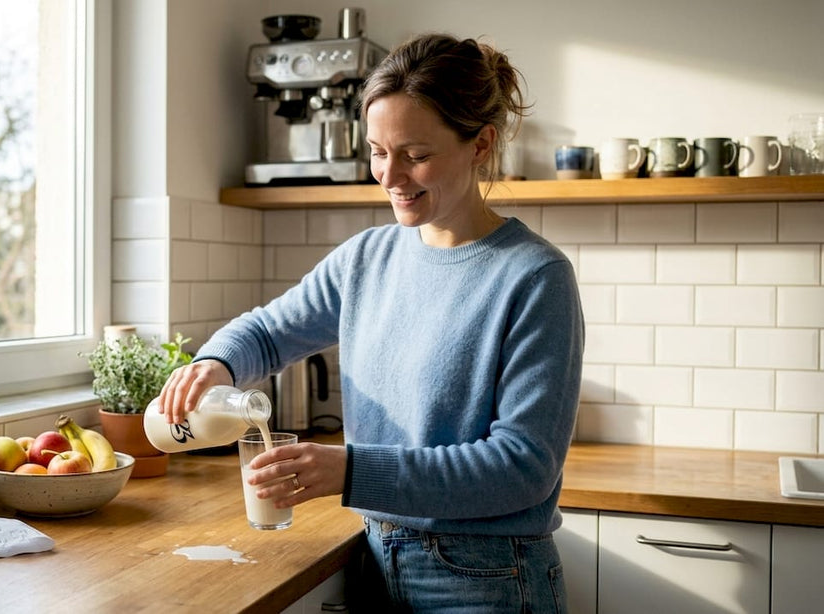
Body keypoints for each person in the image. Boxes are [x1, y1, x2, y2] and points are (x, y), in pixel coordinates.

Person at [158, 32, 584, 613]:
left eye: (416, 154)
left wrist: (350, 470)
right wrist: (217, 361)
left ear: (480, 144)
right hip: (376, 559)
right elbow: (266, 332)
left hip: (487, 580)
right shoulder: (367, 258)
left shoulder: (534, 277)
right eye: (379, 152)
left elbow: (521, 469)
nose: (390, 176)